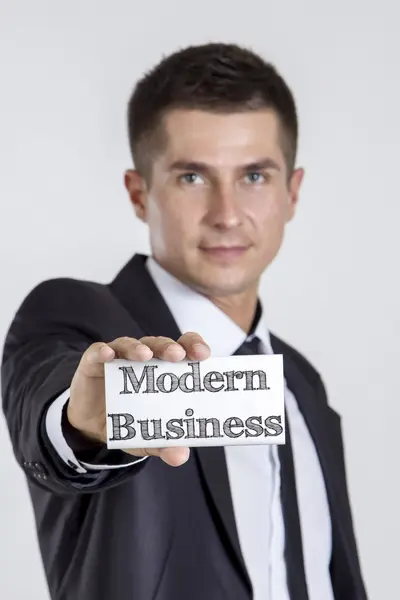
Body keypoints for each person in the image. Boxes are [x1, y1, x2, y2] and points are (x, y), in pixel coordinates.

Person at [1, 42, 367, 600]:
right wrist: (87, 422)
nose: (226, 214)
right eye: (192, 177)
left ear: (292, 193)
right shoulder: (77, 321)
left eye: (255, 176)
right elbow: (49, 419)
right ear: (139, 192)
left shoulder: (304, 384)